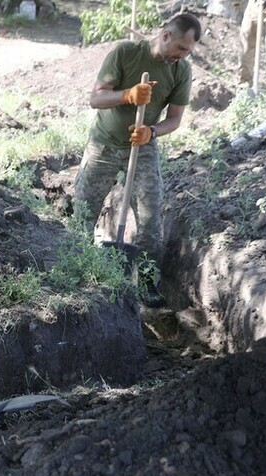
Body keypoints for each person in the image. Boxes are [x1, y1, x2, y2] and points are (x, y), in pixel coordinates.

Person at [73, 12, 202, 305]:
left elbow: (175, 119)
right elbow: (96, 98)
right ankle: (77, 276)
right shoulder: (126, 53)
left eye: (188, 51)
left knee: (150, 217)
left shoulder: (181, 71)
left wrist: (152, 131)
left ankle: (146, 283)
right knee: (83, 212)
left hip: (142, 148)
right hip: (104, 146)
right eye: (181, 48)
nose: (182, 55)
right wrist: (128, 95)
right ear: (166, 35)